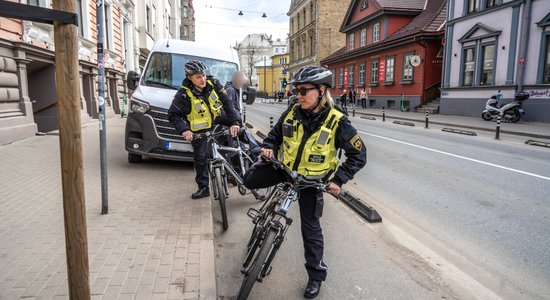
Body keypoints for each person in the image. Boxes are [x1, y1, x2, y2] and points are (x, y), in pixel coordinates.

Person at [256, 66, 367, 299]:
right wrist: (268, 147)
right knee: (249, 179)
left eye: (304, 90)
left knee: (311, 229)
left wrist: (338, 180)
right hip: (286, 171)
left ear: (321, 90)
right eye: (296, 90)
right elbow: (274, 136)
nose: (298, 95)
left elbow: (359, 155)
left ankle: (315, 276)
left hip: (311, 182)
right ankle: (261, 221)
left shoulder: (338, 121)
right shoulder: (292, 111)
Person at [168, 60, 241, 199]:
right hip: (199, 131)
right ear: (190, 78)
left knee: (236, 140)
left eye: (203, 75)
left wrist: (234, 122)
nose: (202, 79)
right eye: (198, 77)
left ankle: (239, 173)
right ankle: (203, 188)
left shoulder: (214, 84)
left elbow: (227, 103)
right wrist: (185, 130)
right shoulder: (183, 94)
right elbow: (172, 115)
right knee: (200, 157)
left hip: (218, 120)